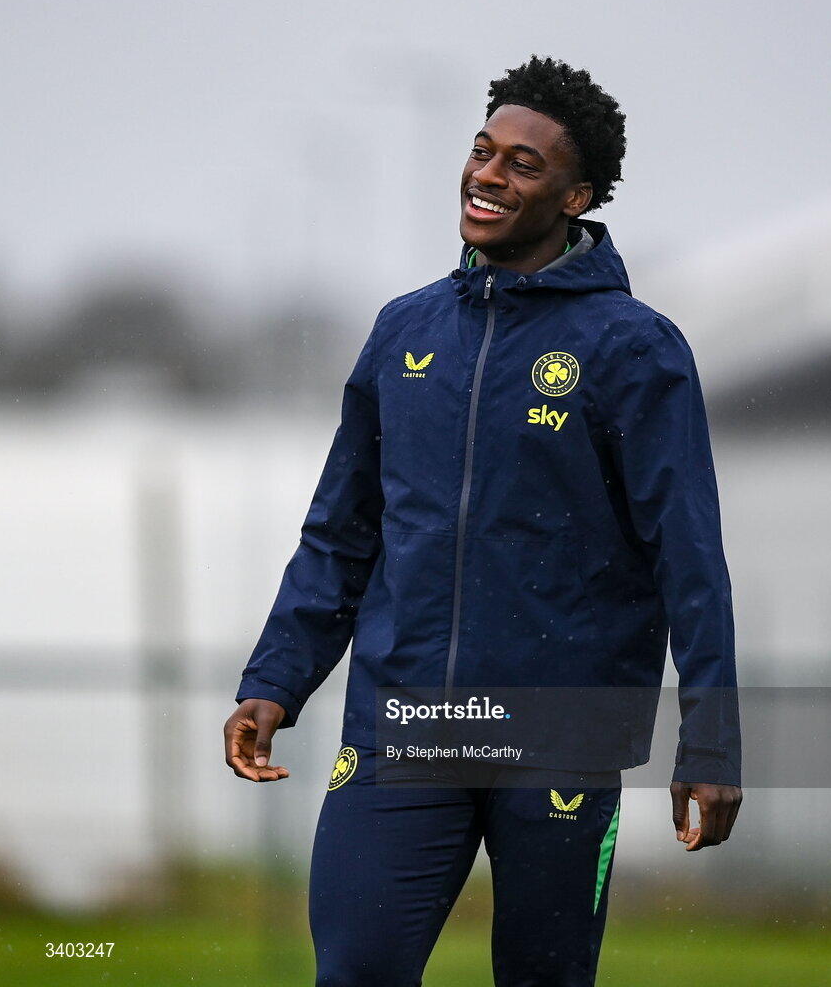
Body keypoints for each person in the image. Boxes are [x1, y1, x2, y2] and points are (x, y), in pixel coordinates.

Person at [224, 55, 742, 986]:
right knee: (355, 970)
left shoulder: (633, 348)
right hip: (407, 720)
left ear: (576, 195)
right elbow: (341, 532)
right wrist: (276, 679)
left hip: (556, 729)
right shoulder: (404, 330)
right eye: (481, 151)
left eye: (523, 164)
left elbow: (689, 562)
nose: (488, 175)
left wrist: (709, 740)